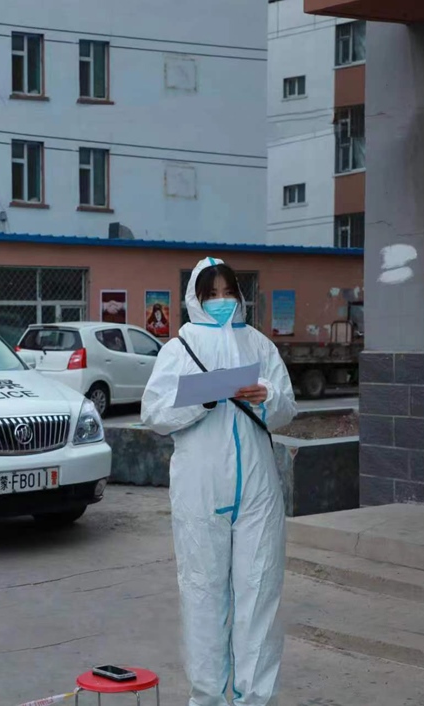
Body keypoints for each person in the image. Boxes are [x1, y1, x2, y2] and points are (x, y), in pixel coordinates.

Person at [141, 257, 297, 706]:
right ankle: (207, 697)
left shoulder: (259, 345)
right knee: (203, 593)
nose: (222, 301)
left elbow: (287, 407)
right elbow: (154, 412)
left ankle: (254, 698)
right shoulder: (179, 348)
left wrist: (267, 396)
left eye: (229, 292)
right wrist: (204, 396)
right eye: (211, 294)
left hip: (257, 487)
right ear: (196, 298)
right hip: (201, 485)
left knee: (259, 593)